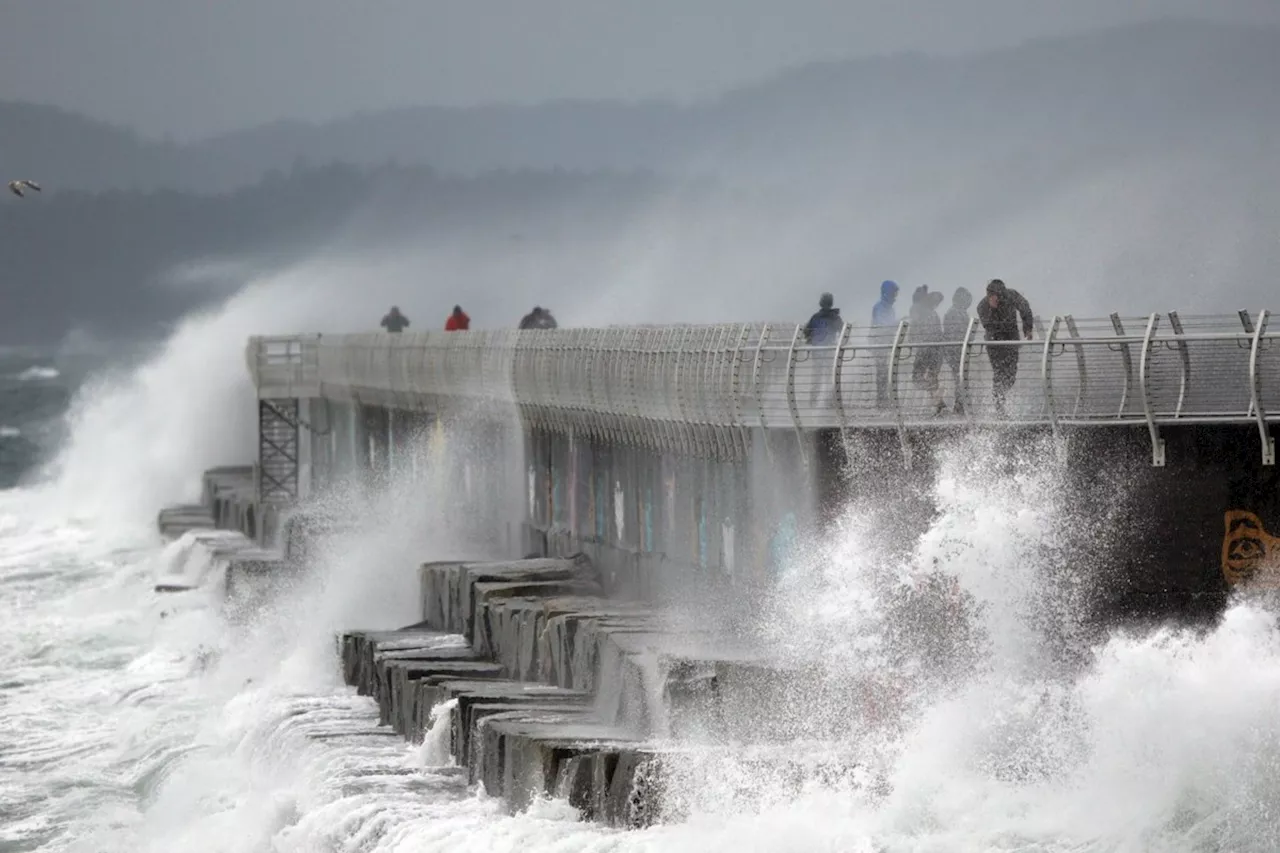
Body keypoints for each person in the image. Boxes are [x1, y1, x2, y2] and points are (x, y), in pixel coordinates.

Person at [975, 279, 1033, 414]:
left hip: (1011, 342)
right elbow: (990, 326)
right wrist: (993, 309)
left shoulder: (1011, 295)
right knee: (999, 372)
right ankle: (998, 404)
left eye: (997, 297)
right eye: (991, 297)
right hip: (994, 344)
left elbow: (1025, 307)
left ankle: (1001, 395)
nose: (994, 300)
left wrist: (1027, 328)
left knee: (1011, 375)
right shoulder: (982, 306)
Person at [908, 286, 946, 415]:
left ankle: (934, 392)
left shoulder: (917, 309)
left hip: (925, 348)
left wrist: (911, 340)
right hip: (937, 349)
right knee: (932, 376)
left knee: (916, 378)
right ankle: (939, 404)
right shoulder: (932, 312)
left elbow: (914, 328)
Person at [803, 293, 843, 406]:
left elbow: (806, 331)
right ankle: (829, 400)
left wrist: (812, 340)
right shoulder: (835, 318)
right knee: (830, 376)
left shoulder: (815, 317)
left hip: (817, 351)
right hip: (830, 350)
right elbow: (843, 331)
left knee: (817, 376)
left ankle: (814, 401)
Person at [942, 287, 973, 414]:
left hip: (957, 350)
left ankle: (960, 405)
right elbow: (956, 334)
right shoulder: (955, 313)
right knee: (960, 377)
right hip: (956, 351)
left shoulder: (958, 311)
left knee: (960, 377)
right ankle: (960, 406)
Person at [870, 280, 899, 407]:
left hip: (885, 343)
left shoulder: (889, 308)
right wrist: (897, 323)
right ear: (887, 293)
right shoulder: (880, 307)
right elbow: (882, 325)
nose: (895, 297)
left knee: (884, 370)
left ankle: (883, 398)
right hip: (879, 343)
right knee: (882, 370)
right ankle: (881, 399)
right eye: (894, 294)